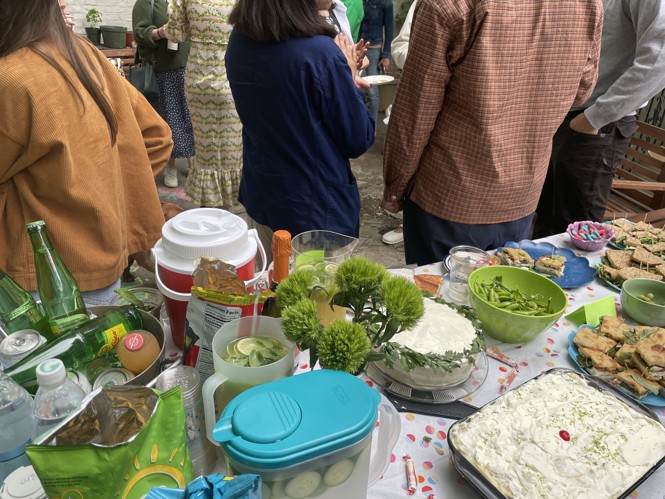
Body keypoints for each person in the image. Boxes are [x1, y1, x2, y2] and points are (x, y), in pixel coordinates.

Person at [381, 0, 603, 266]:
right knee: (497, 296)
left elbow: (415, 111)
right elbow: (582, 91)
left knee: (440, 300)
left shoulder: (449, 4)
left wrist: (395, 186)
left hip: (450, 195)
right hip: (522, 192)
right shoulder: (588, 4)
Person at [0, 0, 173, 305]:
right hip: (104, 257)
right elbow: (157, 137)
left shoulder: (10, 78)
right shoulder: (83, 52)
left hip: (43, 277)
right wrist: (110, 194)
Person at [225, 0, 375, 263]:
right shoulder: (319, 52)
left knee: (274, 290)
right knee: (317, 300)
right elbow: (357, 138)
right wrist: (347, 77)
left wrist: (340, 76)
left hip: (264, 194)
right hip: (315, 213)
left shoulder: (240, 38)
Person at [533, 0, 665, 239]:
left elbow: (659, 62)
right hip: (566, 117)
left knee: (574, 232)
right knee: (546, 221)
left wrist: (593, 118)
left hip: (596, 123)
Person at [161, 0, 243, 209]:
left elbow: (176, 34)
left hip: (198, 79)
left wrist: (162, 31)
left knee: (204, 150)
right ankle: (233, 201)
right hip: (231, 73)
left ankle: (209, 205)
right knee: (233, 146)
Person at [133, 0, 195, 189]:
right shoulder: (148, 2)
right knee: (170, 119)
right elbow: (140, 32)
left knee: (191, 118)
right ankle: (171, 167)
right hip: (164, 70)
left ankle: (195, 166)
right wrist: (162, 32)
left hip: (191, 68)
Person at [381, 0, 417, 246]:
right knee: (415, 158)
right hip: (425, 92)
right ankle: (409, 223)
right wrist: (425, 56)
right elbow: (400, 45)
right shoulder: (427, 4)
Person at [358, 0, 393, 125]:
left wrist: (386, 56)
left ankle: (371, 128)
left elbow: (389, 30)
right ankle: (359, 126)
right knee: (356, 89)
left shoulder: (385, 3)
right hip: (356, 48)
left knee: (372, 91)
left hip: (373, 50)